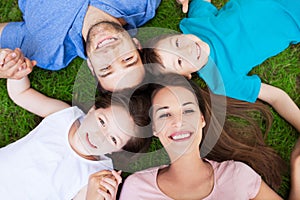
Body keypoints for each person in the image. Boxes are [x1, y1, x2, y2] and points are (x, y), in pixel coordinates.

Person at [119, 73, 287, 199]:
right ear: (154, 128)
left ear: (201, 119)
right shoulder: (137, 189)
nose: (178, 122)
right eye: (164, 115)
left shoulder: (237, 175)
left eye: (188, 111)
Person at [141, 0, 300, 131]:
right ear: (186, 76)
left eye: (177, 43)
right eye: (180, 61)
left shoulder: (195, 24)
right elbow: (276, 97)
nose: (187, 49)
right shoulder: (223, 80)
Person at [3, 71, 152, 199]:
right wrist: (18, 73)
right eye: (102, 121)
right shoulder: (64, 115)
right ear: (93, 109)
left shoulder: (97, 177)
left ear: (119, 150)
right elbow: (21, 93)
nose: (98, 136)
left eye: (113, 139)